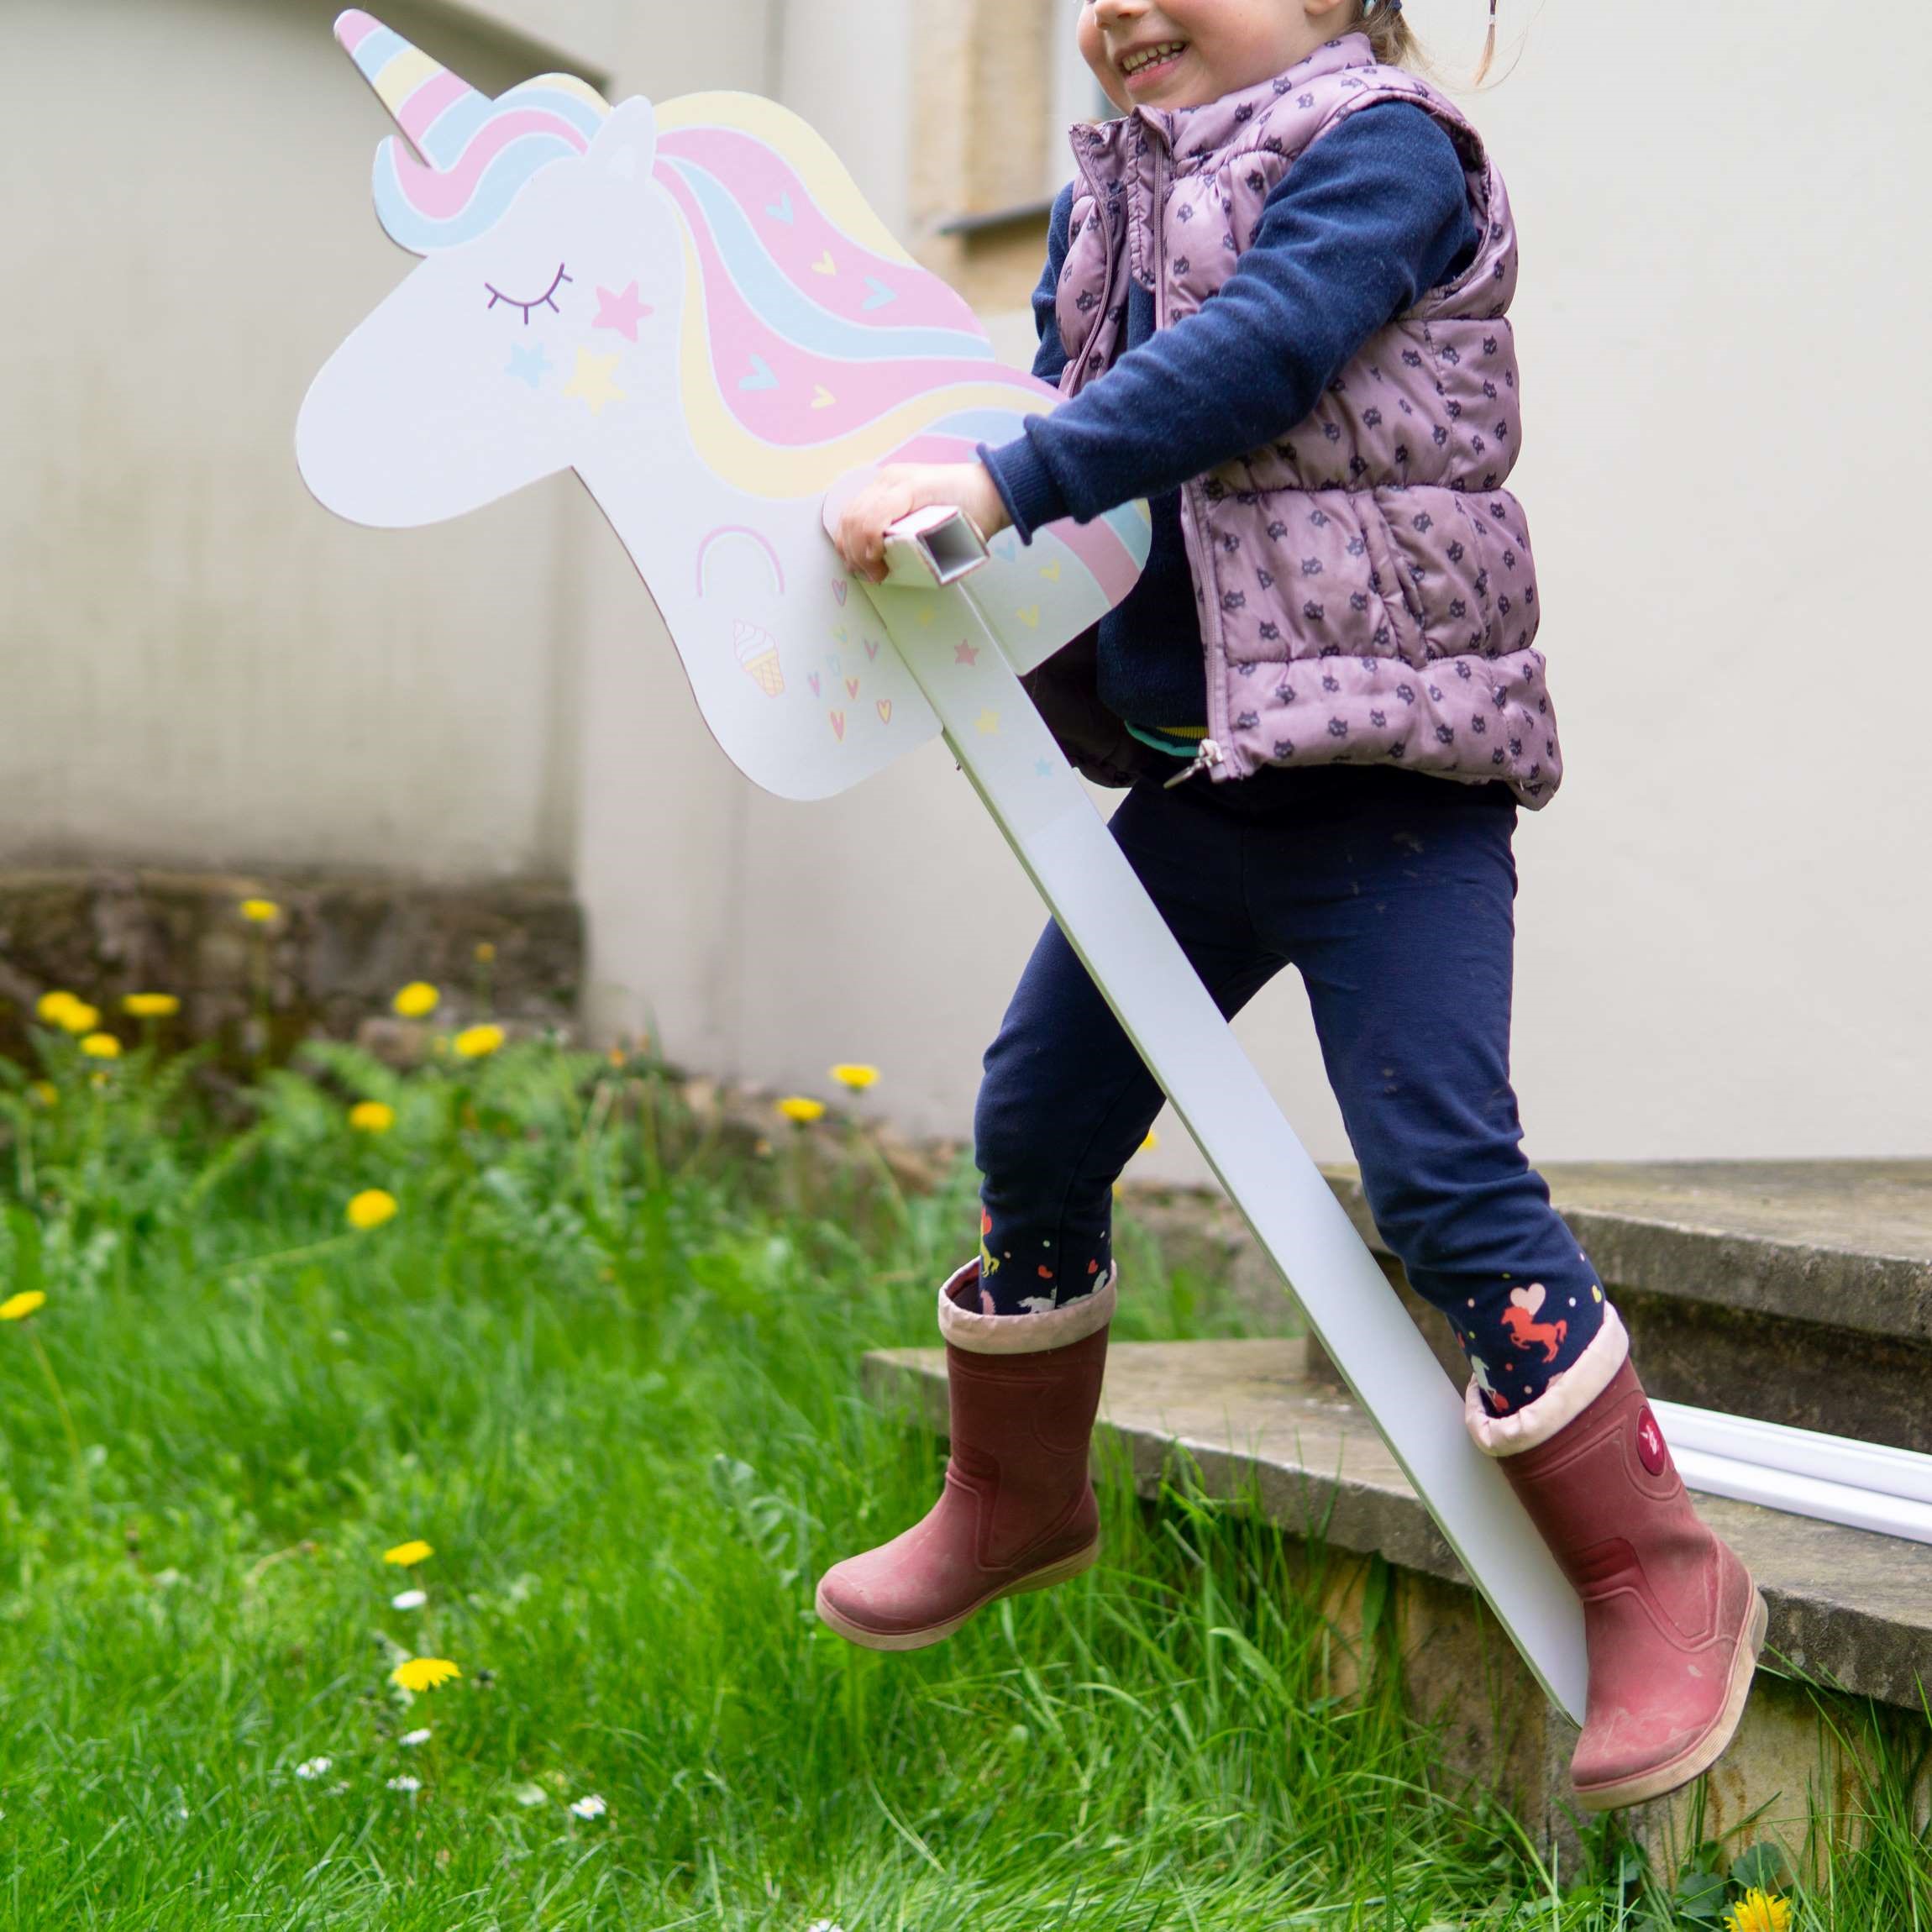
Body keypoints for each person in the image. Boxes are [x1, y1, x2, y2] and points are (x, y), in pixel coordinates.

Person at [819, 0, 1763, 1814]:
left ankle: (1658, 1574)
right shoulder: (1108, 193)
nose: (1120, 10)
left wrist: (1005, 481)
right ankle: (1016, 1493)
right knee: (1038, 1117)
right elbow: (1063, 432)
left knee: (1441, 1177)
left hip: (1389, 788)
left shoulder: (1385, 150)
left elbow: (1256, 356)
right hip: (1198, 787)